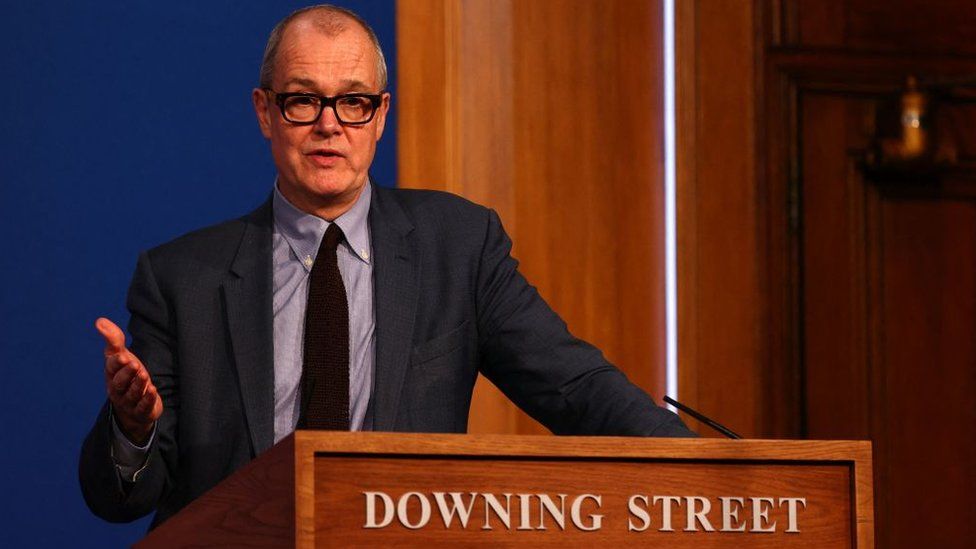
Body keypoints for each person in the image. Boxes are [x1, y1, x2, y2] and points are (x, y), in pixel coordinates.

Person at [79, 4, 694, 528]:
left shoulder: (459, 245)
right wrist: (134, 430)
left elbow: (576, 389)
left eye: (352, 102)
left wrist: (721, 477)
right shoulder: (181, 278)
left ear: (380, 115)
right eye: (302, 101)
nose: (329, 125)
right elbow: (124, 498)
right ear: (265, 112)